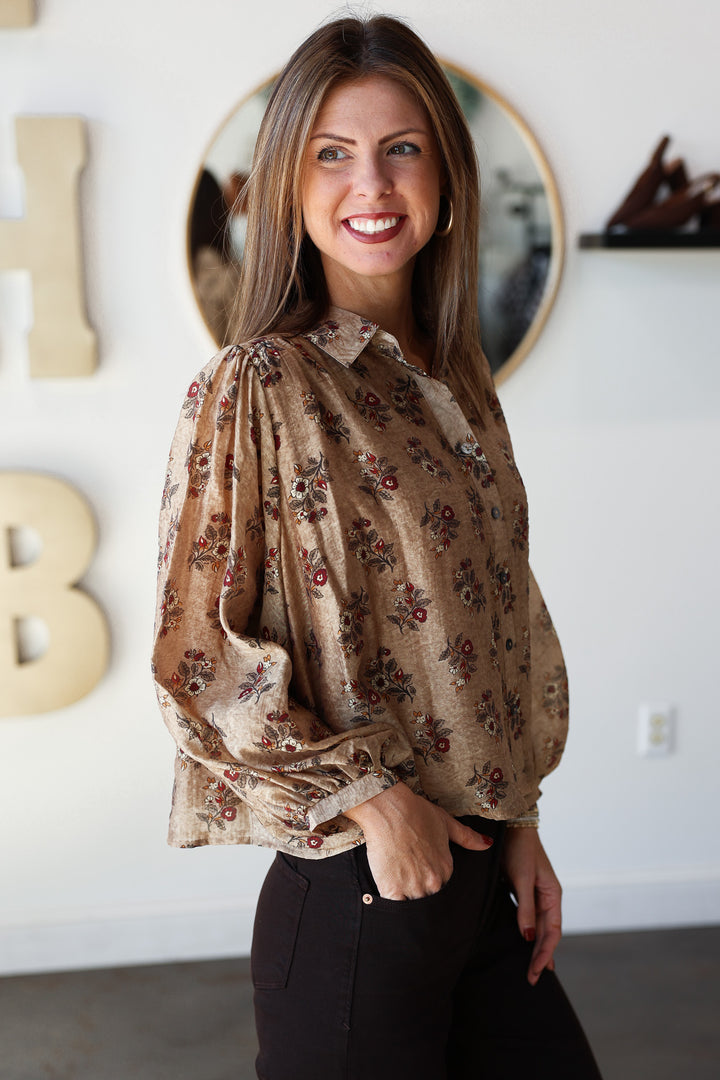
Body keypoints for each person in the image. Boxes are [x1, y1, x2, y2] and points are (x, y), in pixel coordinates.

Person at [152, 14, 602, 1080]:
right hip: (362, 888)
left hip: (479, 871)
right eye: (333, 155)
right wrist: (377, 801)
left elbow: (499, 622)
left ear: (444, 175)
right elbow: (199, 663)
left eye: (402, 149)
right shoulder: (259, 385)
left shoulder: (455, 383)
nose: (374, 186)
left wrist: (521, 824)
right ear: (289, 185)